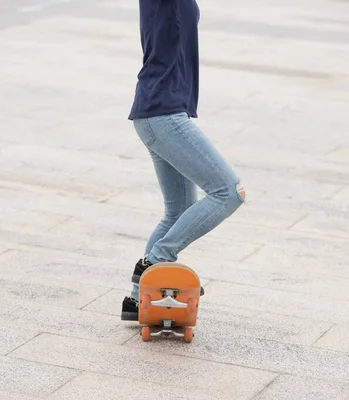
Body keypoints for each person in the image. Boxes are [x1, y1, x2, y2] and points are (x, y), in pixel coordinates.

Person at [121, 0, 246, 321]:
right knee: (229, 192)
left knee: (178, 212)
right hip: (163, 112)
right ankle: (155, 262)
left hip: (160, 110)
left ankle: (137, 301)